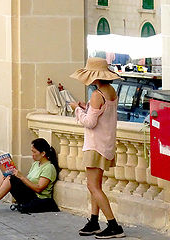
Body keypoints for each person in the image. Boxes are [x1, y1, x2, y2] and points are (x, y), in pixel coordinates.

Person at [69, 57, 125, 239]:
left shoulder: (96, 94)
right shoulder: (111, 92)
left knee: (93, 186)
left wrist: (76, 109)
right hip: (106, 143)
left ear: (93, 77)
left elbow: (90, 122)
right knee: (97, 186)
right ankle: (94, 221)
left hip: (94, 145)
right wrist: (87, 108)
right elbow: (101, 114)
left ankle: (113, 225)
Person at [0, 138, 59, 214]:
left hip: (38, 198)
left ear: (43, 153)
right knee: (6, 176)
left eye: (34, 152)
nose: (32, 155)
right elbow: (30, 181)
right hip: (30, 193)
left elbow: (39, 188)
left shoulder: (49, 168)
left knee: (11, 178)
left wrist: (21, 177)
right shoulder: (36, 164)